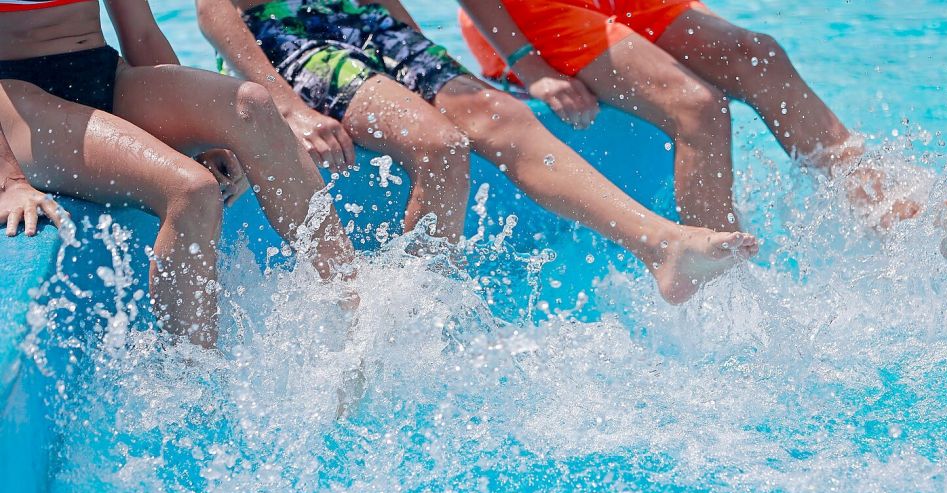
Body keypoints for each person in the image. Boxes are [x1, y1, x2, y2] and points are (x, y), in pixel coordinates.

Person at [196, 0, 759, 305]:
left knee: (502, 116)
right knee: (440, 146)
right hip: (284, 33)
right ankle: (407, 326)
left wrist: (423, 54)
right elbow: (212, 11)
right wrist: (285, 105)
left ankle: (662, 245)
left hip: (369, 21)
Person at [0, 0, 357, 348]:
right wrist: (9, 181)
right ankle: (192, 385)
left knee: (253, 106)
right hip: (17, 97)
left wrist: (199, 136)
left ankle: (352, 305)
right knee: (191, 190)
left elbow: (140, 33)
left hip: (101, 70)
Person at [458, 0, 923, 232]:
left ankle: (891, 211)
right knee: (696, 106)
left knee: (756, 53)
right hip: (525, 12)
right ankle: (717, 282)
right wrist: (527, 63)